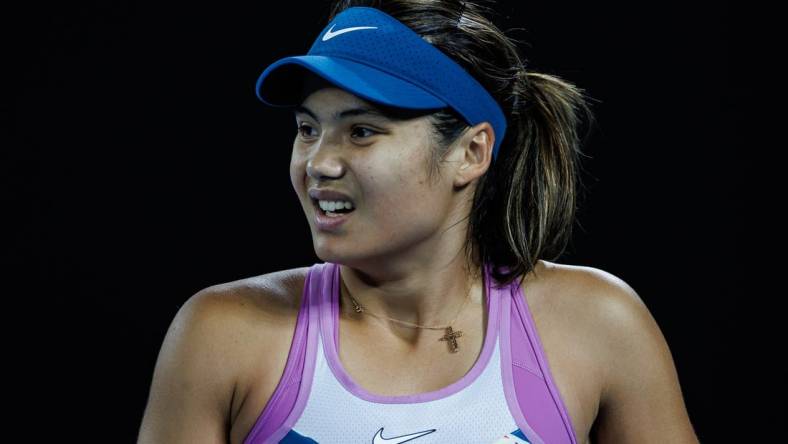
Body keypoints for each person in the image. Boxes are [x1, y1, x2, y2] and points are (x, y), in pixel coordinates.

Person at [137, 1, 700, 443]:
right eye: (308, 129)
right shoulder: (221, 335)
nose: (319, 163)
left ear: (471, 153)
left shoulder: (599, 325)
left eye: (361, 131)